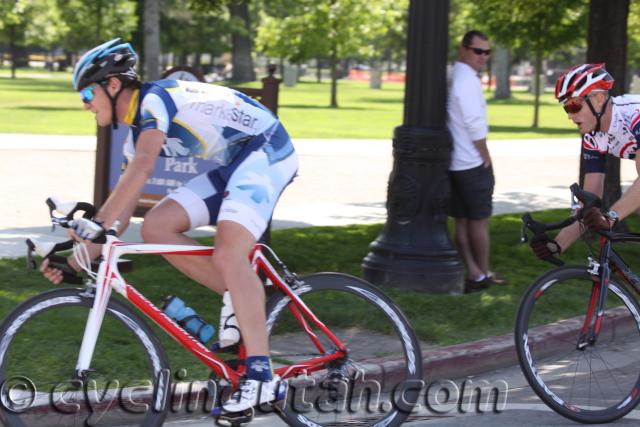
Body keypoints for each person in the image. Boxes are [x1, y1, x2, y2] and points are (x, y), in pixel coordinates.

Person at [39, 38, 297, 413]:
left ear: (113, 85)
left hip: (267, 150)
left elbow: (143, 168)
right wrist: (76, 261)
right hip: (235, 163)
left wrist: (94, 223)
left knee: (228, 253)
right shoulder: (135, 135)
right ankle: (244, 297)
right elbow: (121, 215)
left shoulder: (154, 101)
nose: (85, 104)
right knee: (156, 227)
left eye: (87, 94)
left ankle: (261, 378)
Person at [531, 63, 640, 260]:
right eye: (566, 108)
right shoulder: (593, 137)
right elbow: (589, 202)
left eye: (574, 106)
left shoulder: (635, 115)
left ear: (598, 99)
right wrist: (558, 244)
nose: (570, 116)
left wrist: (610, 218)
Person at [447, 30, 503, 293]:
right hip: (471, 162)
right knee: (479, 221)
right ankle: (483, 272)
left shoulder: (454, 75)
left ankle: (474, 272)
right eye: (478, 51)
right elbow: (473, 124)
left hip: (455, 163)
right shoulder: (467, 80)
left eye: (487, 52)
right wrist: (485, 155)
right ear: (463, 49)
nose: (483, 57)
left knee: (462, 220)